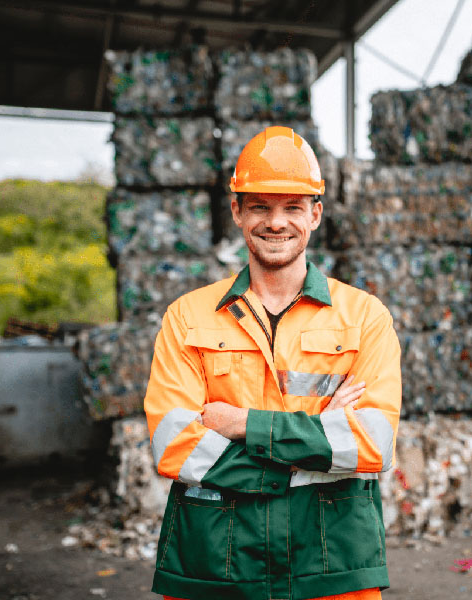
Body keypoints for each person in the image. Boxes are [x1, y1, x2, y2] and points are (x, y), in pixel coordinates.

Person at [144, 126, 401, 600]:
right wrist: (317, 435)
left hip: (332, 560)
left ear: (315, 214)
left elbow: (371, 446)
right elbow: (174, 444)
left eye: (292, 207)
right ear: (237, 213)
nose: (275, 222)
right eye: (260, 206)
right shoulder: (188, 316)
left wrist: (241, 423)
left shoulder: (365, 317)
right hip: (215, 562)